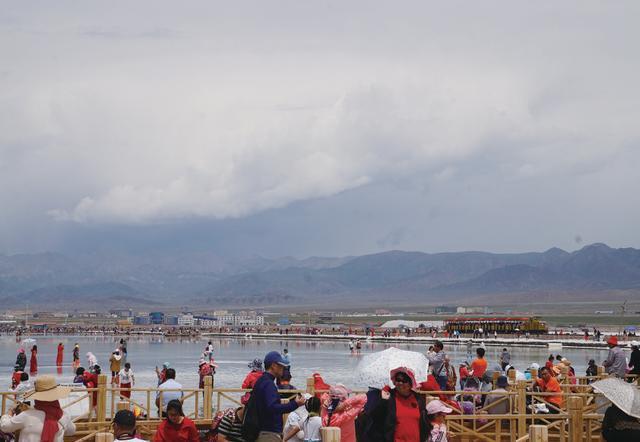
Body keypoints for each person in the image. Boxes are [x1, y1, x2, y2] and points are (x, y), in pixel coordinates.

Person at [0, 374, 76, 441]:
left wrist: (10, 411)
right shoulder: (63, 415)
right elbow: (71, 431)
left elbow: (5, 426)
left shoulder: (27, 415)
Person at [251, 351, 305, 441]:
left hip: (262, 430)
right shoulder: (269, 384)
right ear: (273, 366)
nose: (283, 368)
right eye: (281, 365)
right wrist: (295, 404)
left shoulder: (262, 381)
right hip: (269, 434)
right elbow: (273, 408)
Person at [375, 366, 427, 442]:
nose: (400, 383)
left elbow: (424, 423)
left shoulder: (418, 399)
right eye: (398, 380)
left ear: (410, 383)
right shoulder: (389, 398)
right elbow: (378, 420)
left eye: (404, 380)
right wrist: (382, 399)